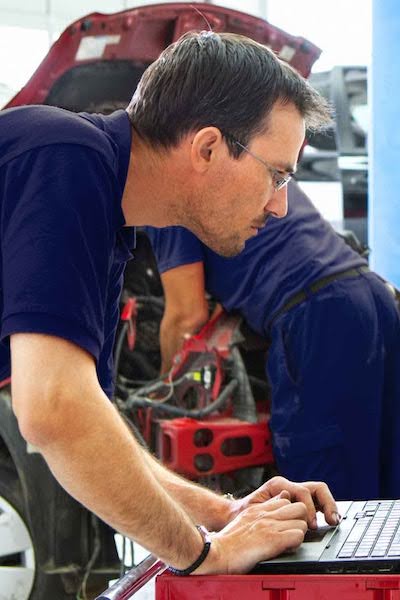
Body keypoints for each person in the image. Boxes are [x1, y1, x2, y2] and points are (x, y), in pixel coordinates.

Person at [0, 31, 339, 576]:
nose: (280, 207)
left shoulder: (106, 219)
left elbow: (87, 422)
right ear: (206, 148)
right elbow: (53, 412)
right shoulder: (66, 159)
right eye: (277, 175)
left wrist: (224, 513)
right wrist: (206, 555)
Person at [146, 179, 400, 502]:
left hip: (315, 315)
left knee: (320, 494)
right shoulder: (245, 148)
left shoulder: (167, 191)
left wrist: (162, 388)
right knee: (387, 476)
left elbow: (187, 316)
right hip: (375, 296)